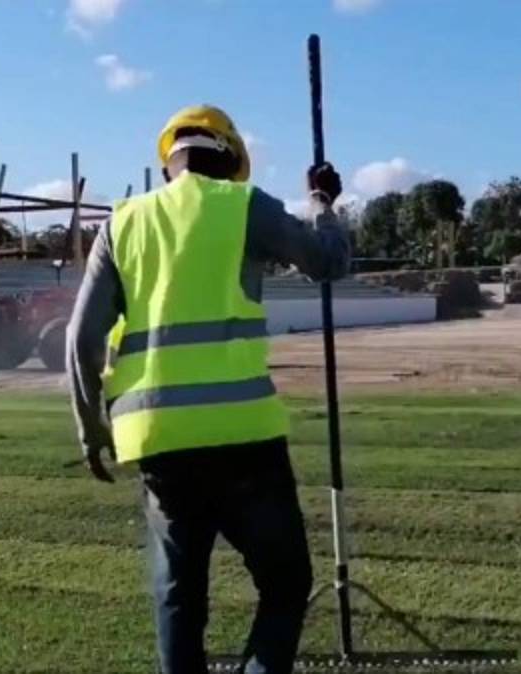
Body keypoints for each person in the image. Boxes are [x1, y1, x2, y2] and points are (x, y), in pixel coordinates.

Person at [65, 104, 351, 674]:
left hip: (157, 438)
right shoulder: (244, 206)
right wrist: (322, 202)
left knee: (180, 596)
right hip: (242, 434)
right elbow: (328, 261)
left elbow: (80, 337)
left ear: (170, 161)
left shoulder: (121, 222)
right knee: (286, 584)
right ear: (230, 160)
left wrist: (91, 429)